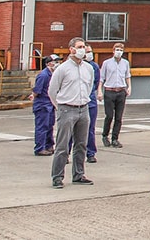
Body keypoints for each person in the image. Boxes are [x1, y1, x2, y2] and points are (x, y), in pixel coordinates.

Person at [49, 37, 94, 189]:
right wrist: (60, 106)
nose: (82, 50)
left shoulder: (88, 68)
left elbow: (89, 87)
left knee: (81, 144)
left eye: (84, 47)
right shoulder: (62, 69)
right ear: (71, 49)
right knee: (62, 145)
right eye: (79, 47)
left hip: (83, 107)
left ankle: (78, 174)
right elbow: (52, 91)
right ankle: (57, 177)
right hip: (67, 108)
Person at [99, 42, 131, 149]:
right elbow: (101, 78)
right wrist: (99, 91)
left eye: (121, 50)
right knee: (109, 115)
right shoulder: (106, 63)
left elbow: (127, 76)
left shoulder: (125, 63)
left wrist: (129, 86)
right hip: (109, 91)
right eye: (117, 49)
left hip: (121, 91)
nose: (119, 52)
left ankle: (115, 138)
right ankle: (105, 135)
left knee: (119, 117)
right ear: (113, 51)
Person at [29, 54, 59, 156]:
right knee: (42, 126)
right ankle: (40, 148)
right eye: (55, 61)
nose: (57, 64)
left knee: (50, 126)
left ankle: (49, 145)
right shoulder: (43, 75)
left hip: (50, 104)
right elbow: (37, 90)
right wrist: (33, 96)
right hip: (42, 105)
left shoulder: (54, 74)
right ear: (48, 63)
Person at [84, 53, 100, 163]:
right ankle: (66, 153)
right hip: (77, 101)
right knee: (71, 131)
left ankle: (90, 153)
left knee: (90, 129)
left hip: (91, 100)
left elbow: (96, 82)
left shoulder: (94, 67)